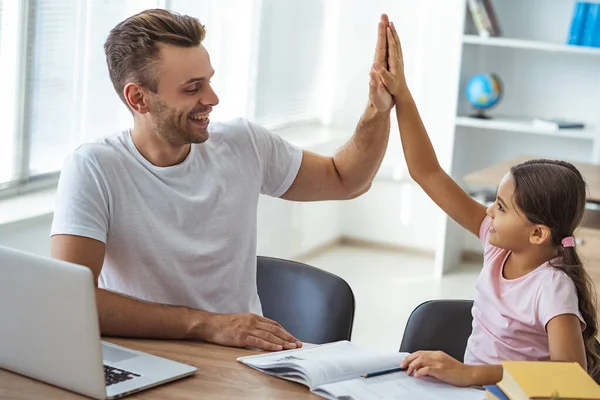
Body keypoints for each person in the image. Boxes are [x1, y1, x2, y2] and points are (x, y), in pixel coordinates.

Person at [50, 9, 395, 352]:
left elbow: (346, 180)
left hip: (239, 359)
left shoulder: (243, 144)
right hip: (145, 356)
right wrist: (207, 325)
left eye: (209, 80)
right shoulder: (94, 168)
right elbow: (70, 300)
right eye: (192, 88)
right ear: (138, 98)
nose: (212, 98)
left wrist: (377, 107)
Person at [372, 22, 600, 385]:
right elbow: (427, 172)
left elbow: (572, 378)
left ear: (538, 233)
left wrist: (471, 373)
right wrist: (402, 94)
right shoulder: (499, 249)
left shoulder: (552, 286)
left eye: (502, 207)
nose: (489, 211)